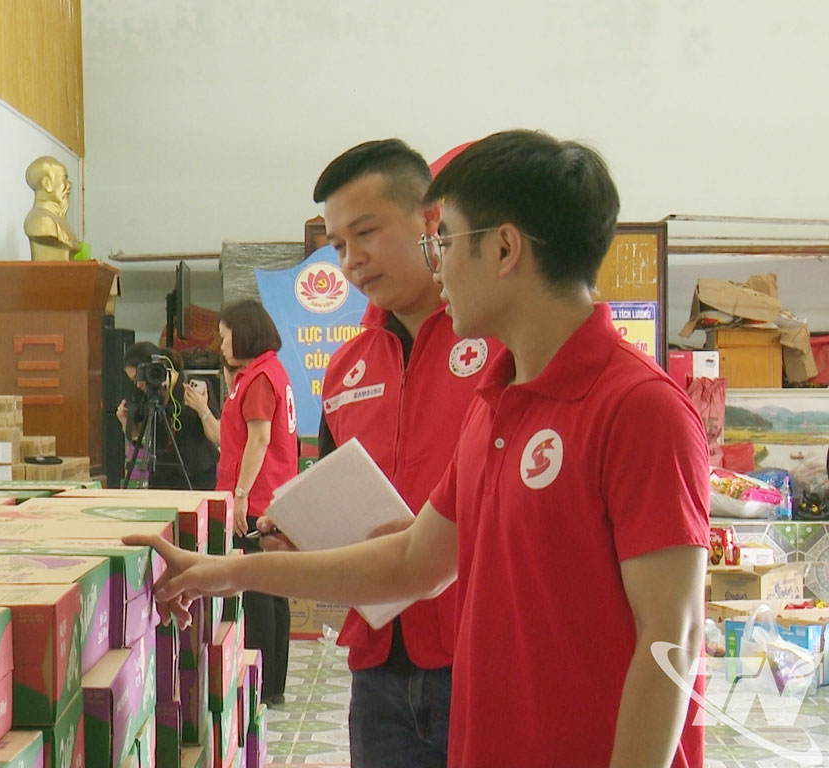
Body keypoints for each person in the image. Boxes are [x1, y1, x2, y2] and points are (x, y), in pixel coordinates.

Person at [128, 130, 709, 768]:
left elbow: (672, 638)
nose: (438, 261)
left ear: (505, 249)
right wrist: (224, 572)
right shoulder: (495, 406)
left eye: (447, 240)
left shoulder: (640, 409)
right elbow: (411, 561)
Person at [260, 138, 499, 767]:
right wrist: (303, 539)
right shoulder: (346, 367)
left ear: (431, 221)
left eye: (366, 233)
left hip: (485, 655)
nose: (352, 260)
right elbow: (332, 490)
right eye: (339, 245)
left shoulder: (501, 345)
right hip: (378, 667)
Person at [217, 299, 299, 706]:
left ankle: (263, 686)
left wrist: (240, 496)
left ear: (244, 333)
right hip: (272, 495)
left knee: (259, 592)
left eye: (225, 336)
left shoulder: (261, 378)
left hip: (259, 498)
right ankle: (273, 684)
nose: (221, 345)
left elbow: (260, 438)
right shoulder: (263, 371)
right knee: (273, 590)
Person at [117, 342, 219, 490]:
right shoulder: (146, 394)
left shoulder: (193, 387)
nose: (138, 385)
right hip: (162, 476)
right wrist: (126, 422)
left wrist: (202, 408)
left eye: (138, 378)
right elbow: (138, 437)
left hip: (196, 477)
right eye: (134, 381)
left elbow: (217, 436)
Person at [23, 155, 80, 261]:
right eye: (64, 179)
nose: (69, 186)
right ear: (47, 184)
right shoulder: (41, 220)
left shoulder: (58, 221)